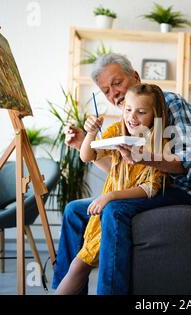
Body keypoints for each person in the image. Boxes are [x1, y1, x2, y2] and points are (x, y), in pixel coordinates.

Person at [52, 53, 191, 295]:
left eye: (117, 83)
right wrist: (81, 144)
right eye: (106, 90)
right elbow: (122, 170)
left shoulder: (168, 103)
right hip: (152, 187)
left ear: (135, 76)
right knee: (75, 210)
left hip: (183, 190)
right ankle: (68, 288)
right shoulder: (127, 119)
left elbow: (188, 161)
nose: (113, 93)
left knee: (115, 209)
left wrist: (143, 157)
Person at [55, 84, 168, 294]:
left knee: (79, 265)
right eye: (128, 110)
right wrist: (89, 134)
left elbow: (151, 188)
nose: (132, 117)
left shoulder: (160, 142)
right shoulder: (117, 130)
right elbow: (87, 156)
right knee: (78, 265)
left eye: (141, 112)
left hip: (124, 205)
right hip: (109, 203)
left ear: (156, 114)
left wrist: (111, 195)